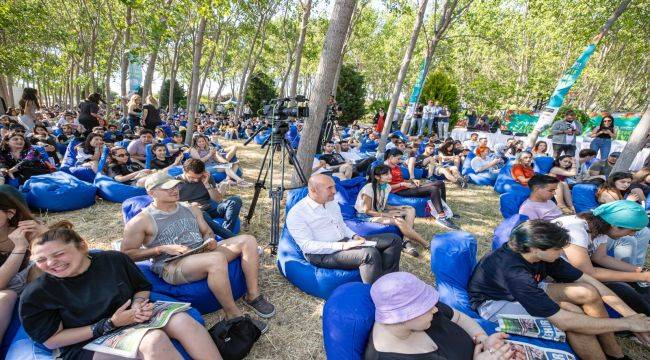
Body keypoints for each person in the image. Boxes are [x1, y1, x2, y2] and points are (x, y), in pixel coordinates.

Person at [20, 221, 222, 360]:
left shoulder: (114, 260)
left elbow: (141, 288)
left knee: (184, 320)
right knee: (153, 340)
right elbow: (52, 340)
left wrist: (138, 305)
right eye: (41, 260)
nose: (51, 263)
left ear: (83, 247)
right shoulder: (38, 293)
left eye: (59, 254)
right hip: (88, 340)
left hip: (130, 321)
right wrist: (109, 324)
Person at [468, 220, 650, 359]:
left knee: (587, 291)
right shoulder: (514, 273)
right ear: (535, 249)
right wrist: (627, 324)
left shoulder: (541, 255)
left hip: (525, 287)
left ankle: (614, 353)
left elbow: (590, 281)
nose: (562, 252)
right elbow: (563, 321)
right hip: (495, 303)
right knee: (572, 314)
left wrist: (631, 316)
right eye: (558, 249)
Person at [122, 172, 274, 331]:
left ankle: (253, 295)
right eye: (167, 188)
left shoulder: (191, 208)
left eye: (175, 185)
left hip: (201, 252)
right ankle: (233, 315)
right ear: (151, 192)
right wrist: (161, 249)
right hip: (173, 264)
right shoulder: (141, 221)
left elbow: (207, 231)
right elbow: (126, 254)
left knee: (248, 240)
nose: (175, 190)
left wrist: (210, 240)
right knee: (215, 260)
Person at [366, 272, 515, 360]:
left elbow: (459, 318)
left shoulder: (424, 314)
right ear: (402, 317)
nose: (435, 310)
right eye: (426, 308)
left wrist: (482, 339)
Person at [286, 174, 402, 284]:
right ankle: (376, 294)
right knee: (369, 254)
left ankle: (387, 281)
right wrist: (342, 246)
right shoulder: (297, 213)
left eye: (334, 187)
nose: (334, 191)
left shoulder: (332, 203)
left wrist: (353, 236)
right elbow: (308, 246)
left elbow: (342, 226)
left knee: (394, 240)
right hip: (320, 254)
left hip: (345, 241)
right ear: (313, 191)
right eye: (329, 188)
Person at [556, 201, 650, 316]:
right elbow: (587, 272)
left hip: (573, 271)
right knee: (622, 288)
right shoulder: (575, 229)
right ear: (615, 225)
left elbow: (601, 257)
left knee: (635, 285)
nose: (631, 234)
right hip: (555, 278)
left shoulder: (600, 228)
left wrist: (640, 271)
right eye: (632, 230)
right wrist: (640, 277)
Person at [0, 192, 47, 343]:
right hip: (5, 290)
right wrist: (20, 247)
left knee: (41, 265)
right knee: (6, 296)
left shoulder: (28, 229)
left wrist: (47, 234)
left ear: (10, 213)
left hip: (33, 287)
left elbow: (74, 253)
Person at [356, 165, 429, 257]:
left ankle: (406, 241)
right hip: (367, 216)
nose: (390, 176)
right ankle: (425, 244)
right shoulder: (369, 188)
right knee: (399, 220)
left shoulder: (386, 187)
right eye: (386, 174)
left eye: (390, 173)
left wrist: (397, 208)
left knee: (410, 209)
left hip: (379, 210)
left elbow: (382, 205)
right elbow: (367, 211)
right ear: (377, 177)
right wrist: (387, 215)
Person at [384, 149, 459, 230]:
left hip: (405, 187)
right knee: (433, 189)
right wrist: (402, 184)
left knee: (440, 183)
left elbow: (401, 179)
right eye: (398, 159)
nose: (399, 161)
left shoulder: (396, 167)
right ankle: (442, 217)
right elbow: (385, 186)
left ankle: (445, 210)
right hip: (399, 191)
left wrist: (413, 180)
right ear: (391, 157)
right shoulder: (385, 169)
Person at [176, 159, 242, 240]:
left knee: (235, 200)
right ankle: (231, 237)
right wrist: (191, 206)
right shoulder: (176, 183)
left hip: (212, 208)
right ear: (184, 170)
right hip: (196, 212)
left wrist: (207, 184)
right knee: (202, 214)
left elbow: (217, 200)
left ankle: (227, 234)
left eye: (198, 177)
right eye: (192, 177)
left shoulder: (206, 177)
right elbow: (171, 204)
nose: (196, 180)